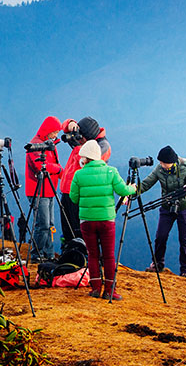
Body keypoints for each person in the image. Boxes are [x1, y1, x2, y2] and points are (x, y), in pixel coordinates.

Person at [69, 140, 136, 300]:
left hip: (86, 220)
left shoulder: (79, 174)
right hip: (106, 220)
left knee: (92, 254)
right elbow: (123, 190)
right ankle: (110, 291)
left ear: (85, 158)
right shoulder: (111, 172)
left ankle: (95, 288)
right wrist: (133, 188)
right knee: (108, 256)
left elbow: (73, 198)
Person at [135, 145, 186, 278]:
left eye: (164, 163)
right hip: (166, 206)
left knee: (185, 239)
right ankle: (157, 264)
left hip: (184, 207)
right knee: (161, 236)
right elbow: (147, 183)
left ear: (172, 162)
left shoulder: (185, 168)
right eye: (161, 162)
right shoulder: (159, 169)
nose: (162, 165)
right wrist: (133, 192)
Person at [58, 116, 111, 248]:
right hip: (67, 190)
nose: (79, 139)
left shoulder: (102, 147)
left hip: (81, 194)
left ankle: (83, 257)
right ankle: (69, 254)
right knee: (67, 229)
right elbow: (64, 127)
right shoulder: (87, 139)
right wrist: (70, 124)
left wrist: (77, 147)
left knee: (79, 230)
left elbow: (85, 163)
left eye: (81, 137)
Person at [24, 116, 69, 262]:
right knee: (42, 224)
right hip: (37, 190)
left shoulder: (50, 145)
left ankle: (48, 255)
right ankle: (37, 255)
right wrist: (58, 169)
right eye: (54, 132)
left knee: (49, 225)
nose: (56, 135)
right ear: (48, 130)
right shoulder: (35, 145)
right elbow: (40, 166)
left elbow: (53, 165)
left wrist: (65, 175)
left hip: (49, 189)